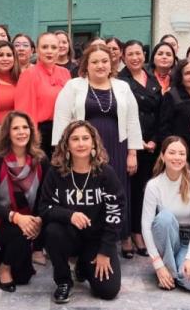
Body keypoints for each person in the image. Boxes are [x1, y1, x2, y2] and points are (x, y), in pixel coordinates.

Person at [52, 43, 143, 253]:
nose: (100, 65)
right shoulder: (74, 86)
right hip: (82, 149)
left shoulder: (123, 87)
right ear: (86, 65)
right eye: (94, 62)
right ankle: (84, 236)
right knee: (87, 190)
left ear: (111, 64)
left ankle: (121, 235)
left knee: (116, 191)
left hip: (117, 148)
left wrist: (132, 153)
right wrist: (61, 151)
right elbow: (62, 118)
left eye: (104, 61)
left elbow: (132, 120)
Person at [40, 121, 123, 303]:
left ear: (93, 143)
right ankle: (63, 281)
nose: (80, 143)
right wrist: (69, 215)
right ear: (67, 144)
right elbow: (44, 208)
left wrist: (105, 251)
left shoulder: (105, 173)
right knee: (52, 231)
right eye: (75, 139)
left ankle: (84, 264)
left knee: (108, 291)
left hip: (96, 240)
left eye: (85, 138)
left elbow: (116, 212)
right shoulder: (56, 172)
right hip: (69, 236)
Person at [0, 112, 49, 291]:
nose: (21, 132)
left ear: (31, 131)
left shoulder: (41, 160)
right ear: (8, 133)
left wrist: (38, 219)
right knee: (21, 233)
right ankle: (4, 267)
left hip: (29, 218)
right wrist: (17, 218)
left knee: (23, 277)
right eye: (15, 128)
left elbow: (44, 197)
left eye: (25, 127)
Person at [142, 137, 190, 291]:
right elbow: (146, 226)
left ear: (186, 157)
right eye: (172, 152)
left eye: (181, 153)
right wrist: (158, 266)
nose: (177, 157)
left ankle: (175, 271)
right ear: (163, 156)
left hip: (189, 240)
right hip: (166, 240)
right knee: (164, 217)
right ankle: (168, 270)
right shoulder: (154, 185)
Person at [118, 39, 162, 257]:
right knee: (127, 191)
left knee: (144, 193)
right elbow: (123, 116)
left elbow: (160, 113)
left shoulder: (152, 80)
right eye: (130, 54)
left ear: (144, 55)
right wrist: (137, 142)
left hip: (152, 147)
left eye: (138, 53)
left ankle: (138, 232)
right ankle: (126, 236)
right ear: (123, 57)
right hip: (129, 145)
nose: (135, 57)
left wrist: (154, 139)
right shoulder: (120, 81)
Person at [15, 32, 72, 159]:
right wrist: (32, 139)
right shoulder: (28, 74)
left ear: (59, 50)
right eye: (45, 47)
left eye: (53, 47)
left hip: (63, 130)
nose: (49, 51)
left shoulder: (65, 73)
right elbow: (23, 110)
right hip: (40, 133)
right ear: (37, 50)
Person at [157, 59, 190, 171]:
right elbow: (164, 130)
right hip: (180, 156)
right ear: (180, 78)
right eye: (187, 73)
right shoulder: (172, 96)